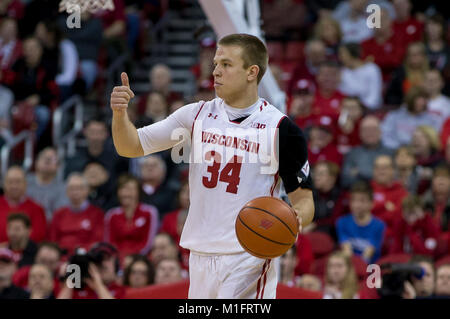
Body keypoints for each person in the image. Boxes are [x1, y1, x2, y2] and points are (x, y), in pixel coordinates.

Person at [110, 33, 315, 299]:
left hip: (250, 253)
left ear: (252, 72)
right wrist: (119, 114)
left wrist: (295, 218)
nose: (215, 70)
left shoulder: (281, 129)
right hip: (200, 254)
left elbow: (305, 200)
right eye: (216, 63)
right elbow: (131, 146)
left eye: (226, 65)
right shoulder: (195, 114)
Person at [104, 174, 159, 261]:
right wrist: (119, 259)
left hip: (142, 259)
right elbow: (109, 242)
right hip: (117, 260)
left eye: (130, 189)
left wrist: (133, 259)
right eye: (122, 189)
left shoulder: (149, 212)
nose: (125, 193)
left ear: (138, 191)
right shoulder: (111, 215)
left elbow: (148, 243)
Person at [49, 173, 105, 255]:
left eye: (79, 188)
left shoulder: (97, 214)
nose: (75, 192)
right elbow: (52, 240)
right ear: (67, 192)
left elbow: (97, 241)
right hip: (61, 256)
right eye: (71, 188)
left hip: (85, 256)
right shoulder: (59, 213)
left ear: (87, 190)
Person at [336, 181, 386, 263]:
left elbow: (368, 254)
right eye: (353, 200)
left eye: (362, 201)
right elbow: (347, 251)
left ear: (372, 203)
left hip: (370, 269)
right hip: (350, 266)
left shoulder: (379, 226)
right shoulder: (342, 222)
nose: (356, 205)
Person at [57, 242, 126, 299]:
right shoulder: (77, 289)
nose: (101, 264)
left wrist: (98, 285)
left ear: (116, 265)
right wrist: (71, 278)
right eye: (97, 260)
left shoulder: (123, 291)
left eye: (106, 259)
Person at [341, 115, 393, 189]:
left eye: (373, 129)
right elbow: (345, 180)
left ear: (380, 132)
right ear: (360, 133)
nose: (370, 133)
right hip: (359, 194)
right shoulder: (352, 153)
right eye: (366, 130)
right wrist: (380, 176)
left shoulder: (390, 153)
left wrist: (359, 172)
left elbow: (394, 178)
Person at [0, 166, 47, 243]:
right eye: (10, 182)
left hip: (27, 253)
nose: (14, 186)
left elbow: (38, 236)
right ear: (4, 184)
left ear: (25, 184)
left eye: (18, 182)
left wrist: (11, 247)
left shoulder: (37, 209)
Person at [26, 147, 68, 220]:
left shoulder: (63, 188)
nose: (47, 160)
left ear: (58, 166)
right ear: (36, 162)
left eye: (52, 159)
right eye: (44, 158)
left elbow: (60, 215)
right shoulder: (24, 182)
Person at [338, 42, 383, 110]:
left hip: (370, 109)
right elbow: (342, 94)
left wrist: (363, 108)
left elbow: (374, 94)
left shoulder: (371, 69)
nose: (340, 58)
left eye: (342, 54)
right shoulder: (342, 72)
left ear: (352, 54)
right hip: (349, 108)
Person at [370, 154, 409, 233]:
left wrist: (374, 208)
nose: (381, 171)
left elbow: (399, 217)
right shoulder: (366, 189)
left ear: (393, 170)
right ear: (373, 171)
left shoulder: (402, 193)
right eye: (377, 168)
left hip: (391, 236)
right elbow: (362, 214)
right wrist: (384, 206)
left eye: (385, 168)